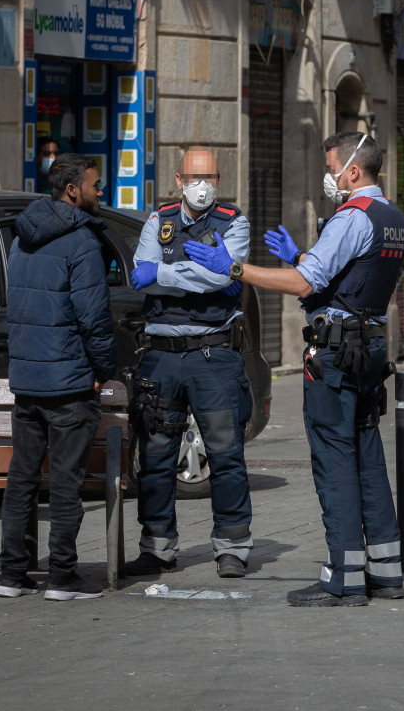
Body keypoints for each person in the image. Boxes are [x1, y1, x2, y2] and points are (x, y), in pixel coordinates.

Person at [181, 131, 404, 608]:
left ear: (352, 170)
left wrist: (236, 269)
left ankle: (344, 579)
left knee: (335, 460)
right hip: (368, 351)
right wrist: (302, 255)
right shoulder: (392, 216)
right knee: (368, 455)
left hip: (335, 355)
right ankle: (385, 573)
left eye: (331, 168)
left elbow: (306, 285)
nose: (328, 177)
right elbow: (353, 280)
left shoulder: (351, 216)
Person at [124, 147, 254, 580]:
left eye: (210, 177)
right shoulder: (158, 220)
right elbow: (139, 267)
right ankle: (156, 548)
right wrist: (187, 273)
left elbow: (220, 277)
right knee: (156, 456)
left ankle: (232, 547)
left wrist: (163, 274)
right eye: (194, 177)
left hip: (213, 355)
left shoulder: (234, 221)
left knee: (225, 453)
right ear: (178, 180)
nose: (203, 185)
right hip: (161, 356)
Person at [0, 153, 116, 601]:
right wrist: (103, 370)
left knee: (22, 479)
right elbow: (94, 319)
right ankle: (62, 578)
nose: (100, 192)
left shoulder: (21, 238)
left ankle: (12, 576)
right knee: (66, 483)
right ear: (73, 191)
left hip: (26, 381)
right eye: (95, 185)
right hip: (68, 384)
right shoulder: (82, 241)